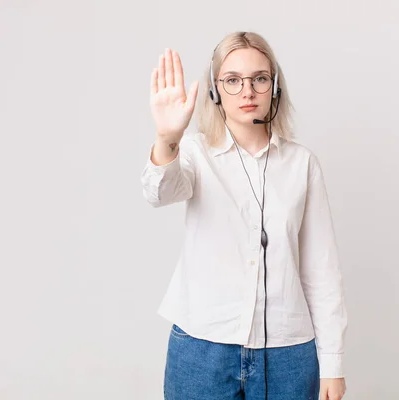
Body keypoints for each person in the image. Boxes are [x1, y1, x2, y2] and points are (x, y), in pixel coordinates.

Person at [141, 31, 348, 400]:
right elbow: (159, 191)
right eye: (233, 81)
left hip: (288, 355)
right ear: (216, 91)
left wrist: (332, 363)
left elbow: (321, 270)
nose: (247, 91)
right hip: (203, 349)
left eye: (259, 79)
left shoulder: (302, 165)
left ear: (275, 87)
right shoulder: (194, 154)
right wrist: (166, 139)